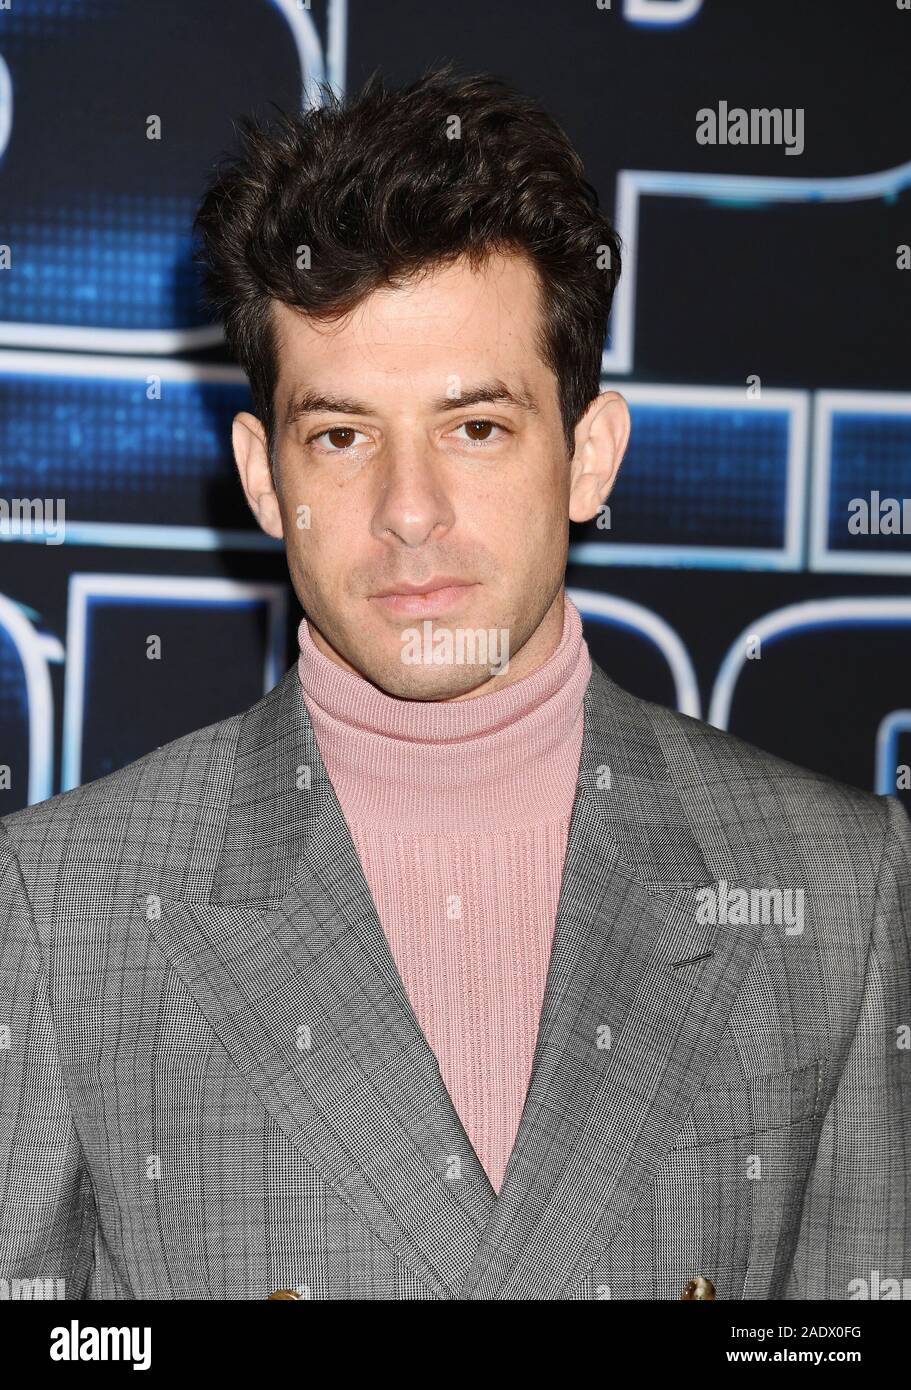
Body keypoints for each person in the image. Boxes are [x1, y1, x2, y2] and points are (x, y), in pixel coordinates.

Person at [1, 66, 908, 1301]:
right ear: (266, 480)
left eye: (474, 427)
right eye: (341, 435)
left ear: (587, 456)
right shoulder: (62, 908)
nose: (408, 513)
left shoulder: (834, 887)